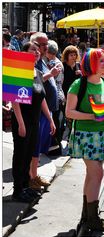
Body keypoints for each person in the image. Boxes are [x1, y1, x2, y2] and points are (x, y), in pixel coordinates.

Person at [65, 48, 104, 231]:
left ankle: (87, 216)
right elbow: (69, 112)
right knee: (97, 174)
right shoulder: (79, 84)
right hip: (85, 135)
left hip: (102, 135)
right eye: (101, 61)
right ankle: (92, 218)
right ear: (91, 63)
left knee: (92, 176)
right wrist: (91, 117)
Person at [11, 41, 56, 203]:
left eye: (38, 50)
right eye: (33, 50)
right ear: (24, 52)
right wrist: (21, 123)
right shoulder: (19, 72)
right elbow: (14, 100)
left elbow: (41, 98)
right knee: (20, 155)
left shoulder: (36, 72)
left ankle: (25, 187)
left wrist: (50, 119)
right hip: (22, 120)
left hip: (35, 121)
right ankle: (17, 190)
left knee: (28, 155)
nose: (37, 52)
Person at [29, 32, 61, 190]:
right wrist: (51, 74)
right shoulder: (32, 62)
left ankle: (34, 175)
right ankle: (31, 177)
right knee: (34, 145)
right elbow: (34, 82)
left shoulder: (42, 61)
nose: (45, 47)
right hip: (37, 112)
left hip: (45, 109)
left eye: (46, 44)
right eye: (42, 45)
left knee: (39, 146)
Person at [46, 40, 65, 153]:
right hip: (59, 94)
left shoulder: (53, 63)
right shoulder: (56, 61)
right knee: (57, 121)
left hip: (55, 96)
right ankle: (56, 146)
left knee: (54, 122)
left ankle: (55, 147)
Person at [61, 45, 82, 141]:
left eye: (74, 55)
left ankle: (73, 134)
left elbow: (83, 80)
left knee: (76, 114)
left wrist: (81, 74)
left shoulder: (78, 65)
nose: (73, 57)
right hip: (66, 93)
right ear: (66, 56)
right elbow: (62, 81)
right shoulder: (63, 66)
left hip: (77, 94)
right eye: (71, 55)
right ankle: (70, 134)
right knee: (68, 116)